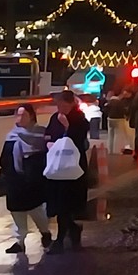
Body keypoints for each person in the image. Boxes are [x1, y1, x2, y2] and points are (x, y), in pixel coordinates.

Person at [44, 87, 92, 251]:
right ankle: (71, 232)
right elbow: (49, 134)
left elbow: (79, 140)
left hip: (73, 167)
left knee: (68, 203)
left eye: (64, 105)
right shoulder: (54, 118)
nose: (61, 109)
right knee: (61, 203)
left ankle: (62, 239)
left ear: (71, 104)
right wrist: (48, 143)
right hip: (57, 167)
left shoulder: (79, 119)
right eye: (59, 105)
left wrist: (67, 128)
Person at [0, 103, 52, 256]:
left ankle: (45, 233)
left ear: (31, 116)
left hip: (33, 179)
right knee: (16, 211)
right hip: (15, 179)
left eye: (23, 115)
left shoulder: (41, 135)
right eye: (18, 115)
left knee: (36, 209)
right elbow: (5, 157)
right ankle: (20, 241)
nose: (20, 118)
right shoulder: (12, 136)